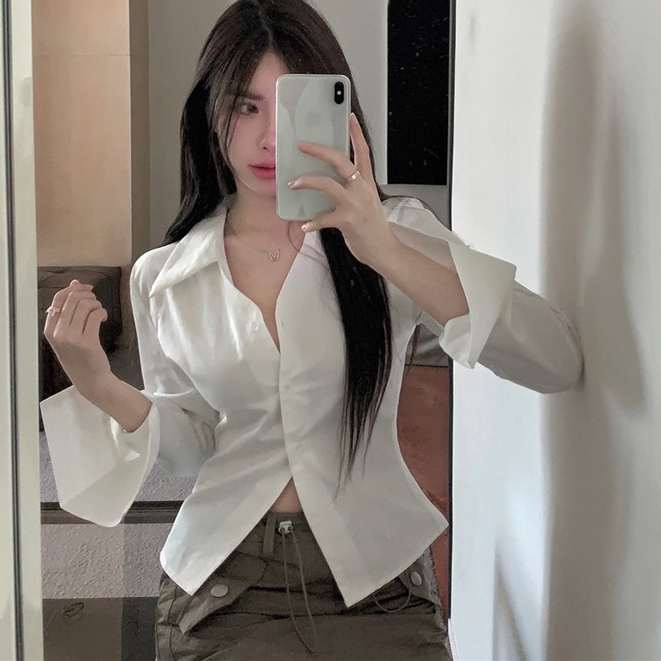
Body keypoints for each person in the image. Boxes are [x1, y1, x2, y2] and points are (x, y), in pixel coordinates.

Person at [40, 0, 584, 659]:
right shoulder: (166, 276)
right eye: (245, 107)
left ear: (338, 112)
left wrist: (384, 250)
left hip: (378, 580)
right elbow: (190, 448)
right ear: (210, 113)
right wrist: (98, 384)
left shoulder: (395, 232)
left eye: (290, 107)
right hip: (227, 585)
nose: (270, 138)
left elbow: (554, 360)